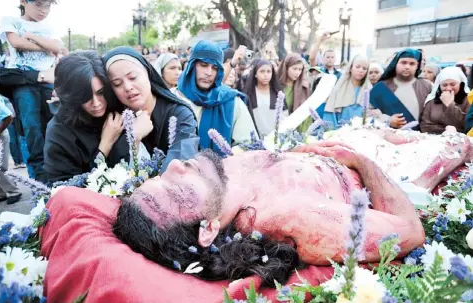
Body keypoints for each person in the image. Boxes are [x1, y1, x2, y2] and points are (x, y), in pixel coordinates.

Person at [112, 126, 473, 285]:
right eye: (177, 189)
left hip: (348, 143)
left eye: (158, 176)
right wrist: (363, 164)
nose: (175, 166)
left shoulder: (222, 177)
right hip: (385, 167)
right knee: (459, 143)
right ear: (207, 228)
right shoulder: (290, 216)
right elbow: (410, 232)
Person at [0, 0, 62, 183]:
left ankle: (56, 170)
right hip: (22, 81)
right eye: (39, 6)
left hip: (46, 82)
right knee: (31, 127)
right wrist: (45, 46)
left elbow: (57, 47)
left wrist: (32, 37)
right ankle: (38, 177)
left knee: (53, 123)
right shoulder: (11, 21)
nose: (44, 11)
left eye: (47, 7)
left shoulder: (48, 27)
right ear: (23, 1)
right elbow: (16, 42)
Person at [104, 47, 199, 171]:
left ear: (148, 73)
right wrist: (134, 139)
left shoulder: (180, 114)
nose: (127, 87)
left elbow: (181, 166)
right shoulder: (113, 122)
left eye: (132, 77)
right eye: (117, 84)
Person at [43, 51, 133, 183]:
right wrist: (105, 145)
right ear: (72, 97)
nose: (96, 103)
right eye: (85, 97)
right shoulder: (58, 132)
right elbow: (65, 190)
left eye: (101, 93)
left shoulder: (122, 108)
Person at [172, 40, 257, 153]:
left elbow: (250, 144)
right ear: (192, 66)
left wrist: (224, 159)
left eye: (215, 68)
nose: (209, 72)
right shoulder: (172, 98)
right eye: (203, 65)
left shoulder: (231, 101)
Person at [370, 48, 431, 130]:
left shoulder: (427, 86)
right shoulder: (380, 87)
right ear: (396, 64)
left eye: (412, 63)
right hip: (387, 136)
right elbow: (367, 112)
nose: (407, 67)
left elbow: (434, 112)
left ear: (417, 66)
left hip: (419, 138)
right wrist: (388, 120)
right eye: (403, 62)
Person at [322, 55, 371, 129]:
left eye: (364, 68)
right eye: (357, 67)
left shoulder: (369, 90)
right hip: (339, 133)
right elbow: (330, 114)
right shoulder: (339, 88)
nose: (361, 70)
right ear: (351, 68)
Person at [243, 59, 288, 138]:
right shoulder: (249, 93)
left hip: (275, 138)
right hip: (255, 140)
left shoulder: (278, 93)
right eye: (262, 71)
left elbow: (284, 116)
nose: (265, 75)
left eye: (268, 71)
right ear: (255, 74)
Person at [420, 67, 469, 135]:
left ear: (460, 84)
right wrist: (446, 131)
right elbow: (424, 126)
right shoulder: (432, 101)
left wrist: (450, 105)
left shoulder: (468, 100)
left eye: (453, 84)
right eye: (444, 85)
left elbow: (466, 126)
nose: (448, 88)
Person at [278, 53, 312, 132]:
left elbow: (307, 113)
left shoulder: (304, 87)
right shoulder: (276, 86)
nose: (297, 73)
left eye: (300, 69)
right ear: (286, 68)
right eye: (294, 69)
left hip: (298, 131)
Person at [0, 94, 22, 205]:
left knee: (0, 167)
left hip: (0, 133)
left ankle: (14, 191)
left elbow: (8, 116)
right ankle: (1, 193)